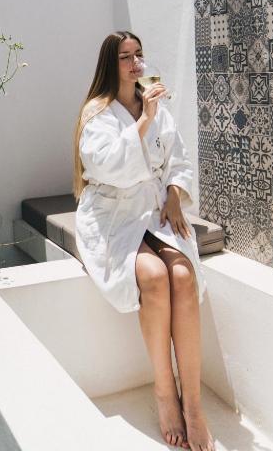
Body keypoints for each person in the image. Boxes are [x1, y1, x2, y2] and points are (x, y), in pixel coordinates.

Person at [73, 31, 215, 451]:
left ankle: (193, 404)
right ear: (110, 63)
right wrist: (144, 121)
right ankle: (164, 392)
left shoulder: (155, 105)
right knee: (152, 276)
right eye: (125, 57)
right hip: (112, 214)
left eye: (139, 55)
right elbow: (110, 169)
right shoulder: (97, 114)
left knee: (183, 276)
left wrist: (174, 195)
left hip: (155, 208)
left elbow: (178, 159)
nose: (136, 64)